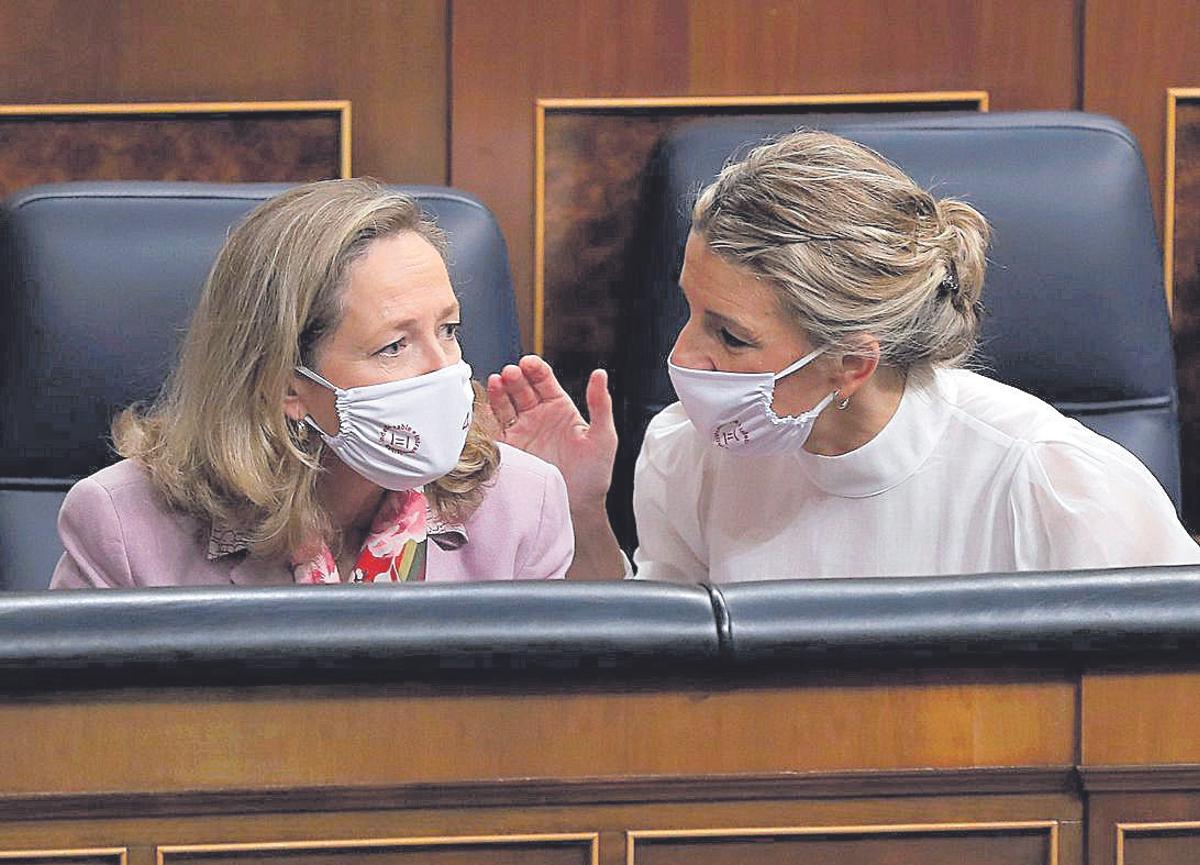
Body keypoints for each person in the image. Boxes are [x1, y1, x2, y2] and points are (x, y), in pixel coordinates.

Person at [487, 129, 1200, 581]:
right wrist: (580, 511)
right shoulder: (686, 454)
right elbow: (647, 686)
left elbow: (1157, 708)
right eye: (689, 312)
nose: (684, 356)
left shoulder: (1049, 479)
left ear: (851, 364)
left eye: (730, 336)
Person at [50, 179, 573, 588]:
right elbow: (83, 726)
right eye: (394, 346)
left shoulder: (523, 504)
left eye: (448, 330)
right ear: (286, 385)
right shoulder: (120, 525)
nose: (443, 371)